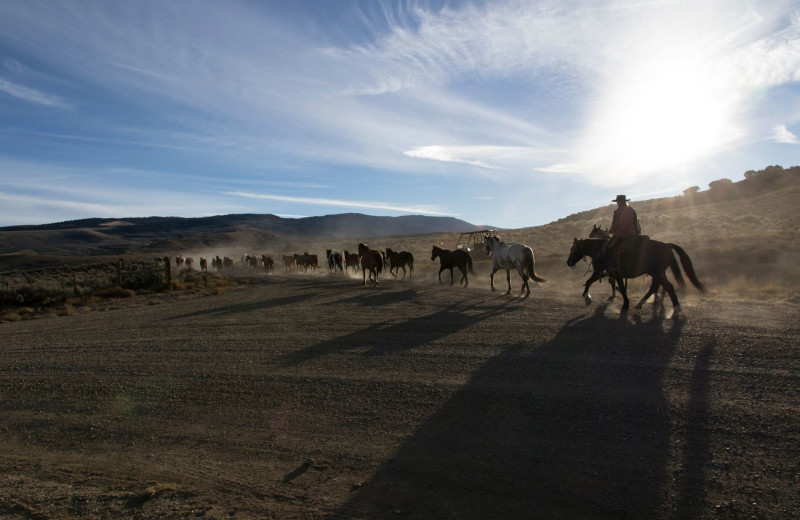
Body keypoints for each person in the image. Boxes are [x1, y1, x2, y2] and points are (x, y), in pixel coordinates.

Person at [604, 195, 641, 273]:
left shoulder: (617, 212)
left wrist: (609, 232)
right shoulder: (632, 210)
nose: (617, 203)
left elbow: (615, 225)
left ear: (619, 202)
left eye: (617, 202)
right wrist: (637, 232)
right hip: (633, 234)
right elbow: (635, 223)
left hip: (621, 234)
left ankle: (612, 267)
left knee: (608, 247)